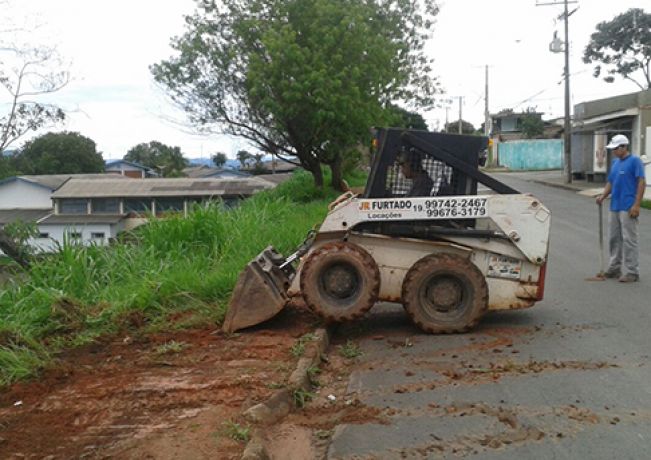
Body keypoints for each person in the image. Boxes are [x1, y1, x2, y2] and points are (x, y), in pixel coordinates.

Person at [595, 134, 646, 283]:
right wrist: (603, 196)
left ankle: (632, 271)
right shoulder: (615, 163)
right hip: (615, 206)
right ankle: (615, 268)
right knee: (614, 238)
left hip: (628, 206)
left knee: (629, 239)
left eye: (616, 149)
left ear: (624, 147)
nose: (614, 151)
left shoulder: (635, 161)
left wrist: (637, 204)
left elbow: (641, 182)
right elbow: (611, 182)